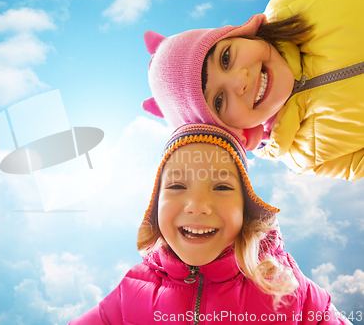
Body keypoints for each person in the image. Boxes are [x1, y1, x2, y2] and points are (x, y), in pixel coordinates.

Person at [69, 124, 351, 324]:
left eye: (222, 187)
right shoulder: (130, 291)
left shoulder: (286, 286)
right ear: (155, 208)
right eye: (177, 185)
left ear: (247, 208)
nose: (197, 205)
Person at [142, 0, 364, 181]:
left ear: (241, 34)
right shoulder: (304, 156)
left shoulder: (294, 0)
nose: (240, 81)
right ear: (235, 131)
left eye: (226, 57)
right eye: (218, 101)